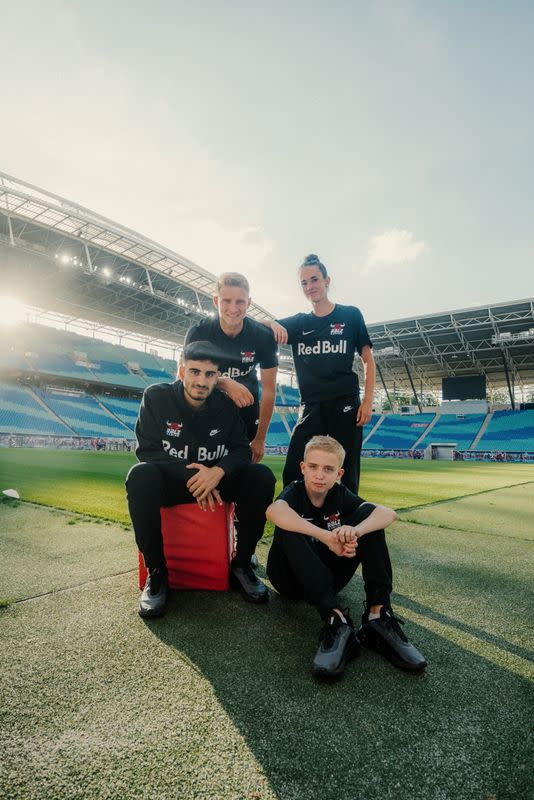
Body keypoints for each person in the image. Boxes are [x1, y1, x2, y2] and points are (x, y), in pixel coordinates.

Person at [126, 340, 276, 618]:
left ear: (217, 377)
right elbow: (147, 450)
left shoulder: (226, 406)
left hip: (217, 483)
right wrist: (196, 476)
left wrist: (217, 473)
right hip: (175, 482)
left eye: (209, 374)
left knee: (261, 477)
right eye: (194, 371)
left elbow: (242, 449)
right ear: (181, 370)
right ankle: (157, 573)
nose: (201, 381)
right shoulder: (156, 397)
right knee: (140, 476)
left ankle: (241, 565)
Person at [266, 435, 426, 679]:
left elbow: (386, 513)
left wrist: (355, 531)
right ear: (303, 468)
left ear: (338, 474)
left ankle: (377, 615)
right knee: (290, 525)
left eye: (328, 469)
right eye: (313, 467)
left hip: (329, 578)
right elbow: (274, 511)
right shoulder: (295, 492)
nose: (320, 475)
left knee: (369, 519)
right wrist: (326, 537)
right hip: (289, 579)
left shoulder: (340, 494)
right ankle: (335, 618)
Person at [263, 254, 375, 494]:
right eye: (304, 283)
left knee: (348, 469)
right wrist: (271, 323)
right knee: (294, 466)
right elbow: (258, 325)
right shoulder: (299, 323)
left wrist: (367, 401)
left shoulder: (351, 315)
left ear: (327, 280)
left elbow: (368, 359)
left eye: (314, 279)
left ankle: (345, 525)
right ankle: (292, 523)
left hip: (346, 402)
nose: (309, 286)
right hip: (312, 405)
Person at [185, 272, 278, 464]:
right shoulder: (199, 333)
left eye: (240, 302)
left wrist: (260, 439)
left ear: (249, 303)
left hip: (245, 420)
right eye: (226, 301)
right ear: (216, 300)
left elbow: (269, 391)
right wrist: (223, 383)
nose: (233, 309)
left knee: (242, 483)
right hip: (205, 416)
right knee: (200, 484)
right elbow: (183, 379)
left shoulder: (263, 337)